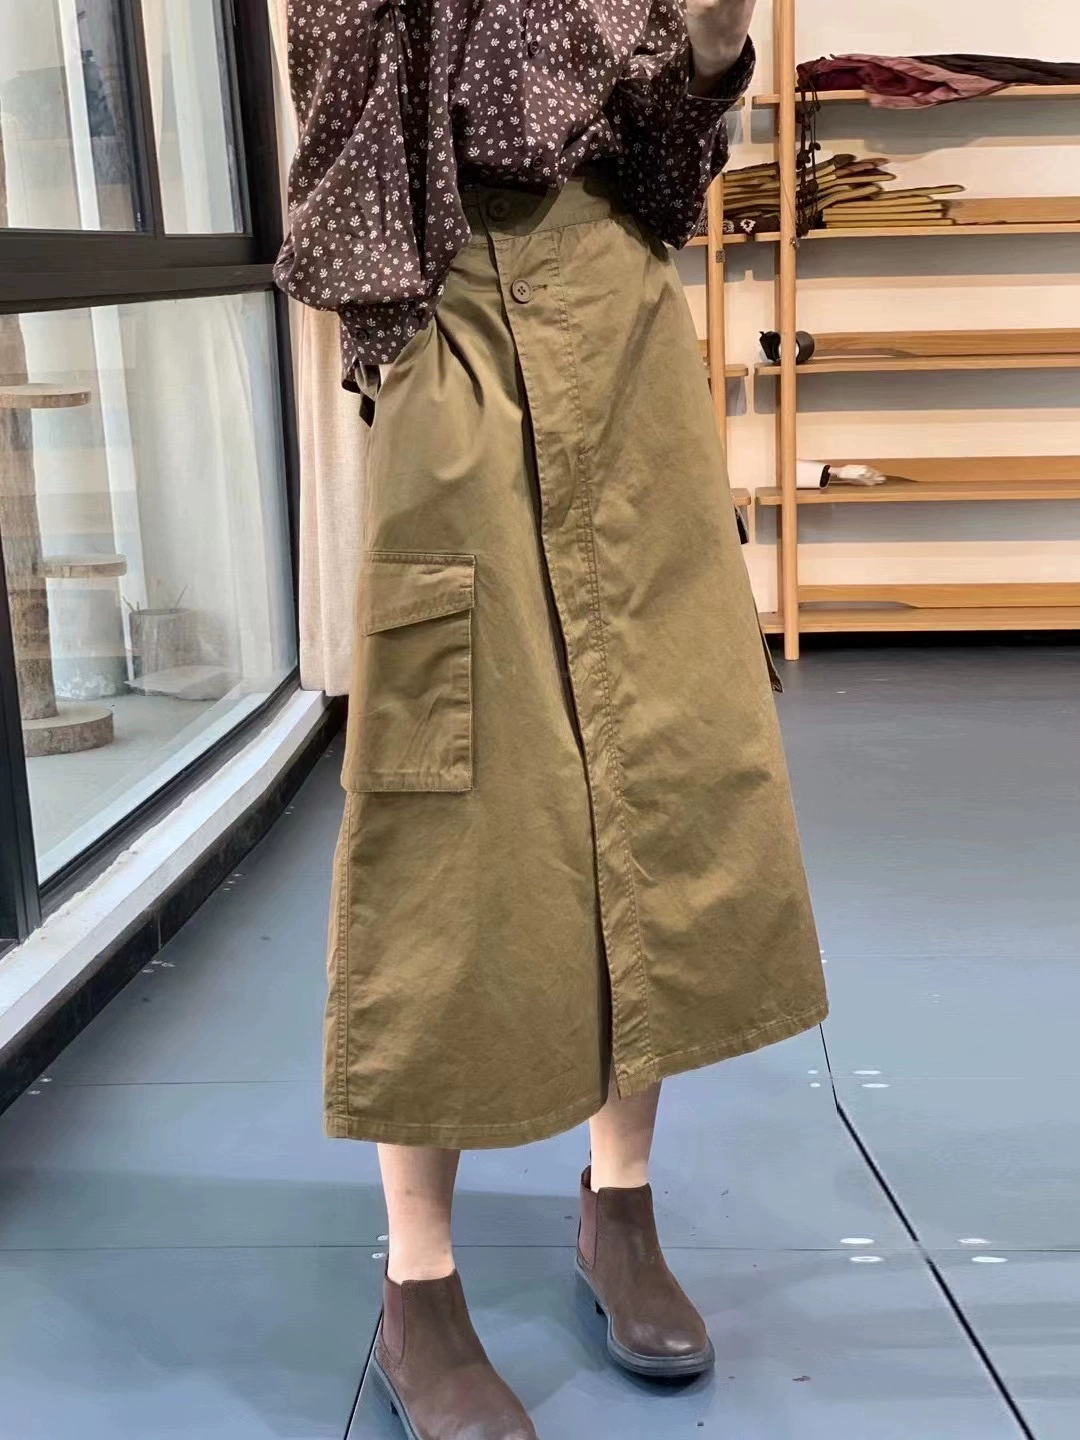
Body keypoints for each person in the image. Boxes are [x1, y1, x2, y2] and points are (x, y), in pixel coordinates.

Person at [276, 2, 827, 1435]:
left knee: (660, 759)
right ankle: (419, 1280)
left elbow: (665, 164)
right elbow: (343, 112)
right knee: (449, 799)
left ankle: (619, 1204)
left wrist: (708, 38)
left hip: (623, 317)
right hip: (450, 306)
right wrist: (398, 349)